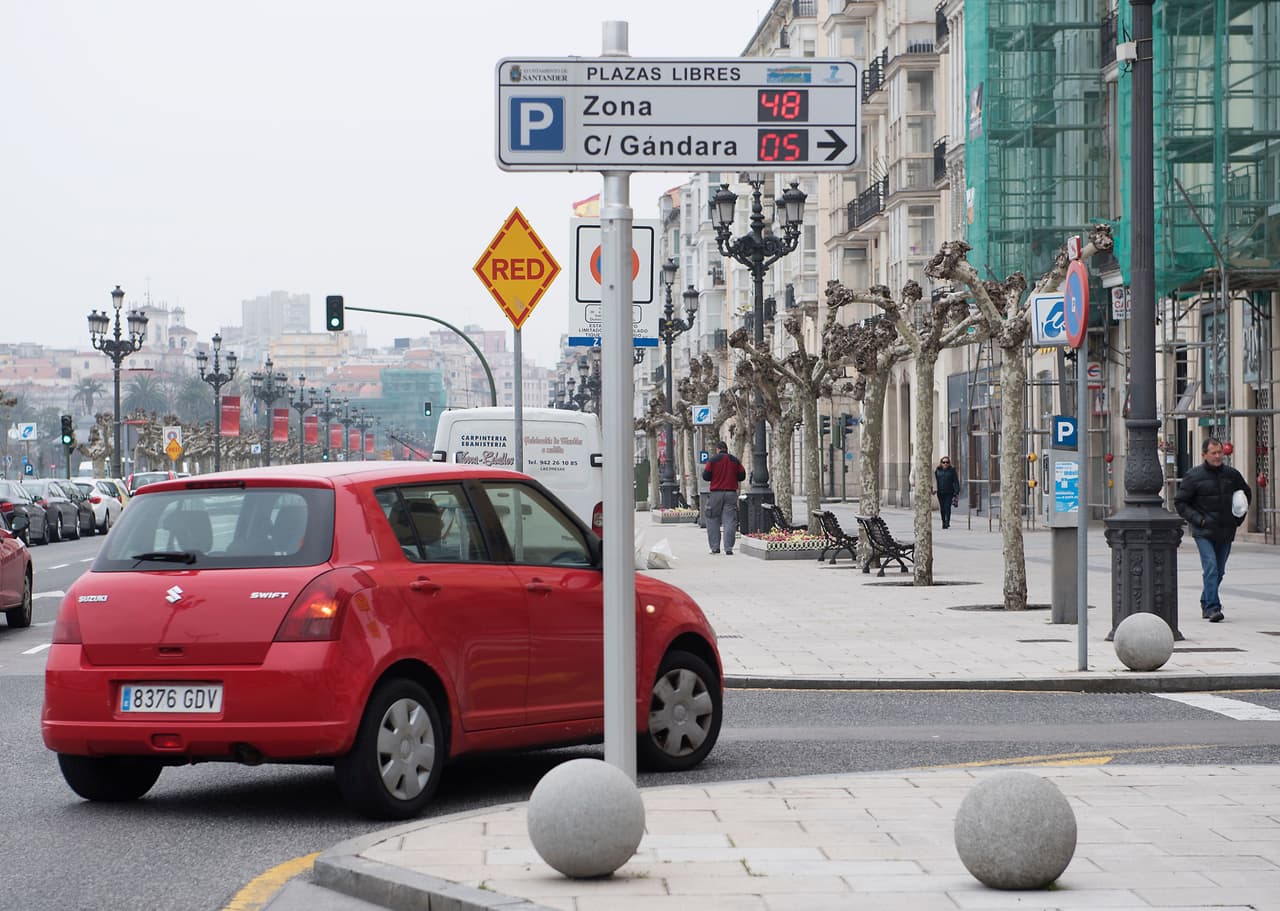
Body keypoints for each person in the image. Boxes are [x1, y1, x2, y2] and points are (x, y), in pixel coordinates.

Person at [1175, 437, 1251, 622]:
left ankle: (1205, 599)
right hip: (1204, 531)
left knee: (1220, 570)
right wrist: (1199, 520)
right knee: (1211, 567)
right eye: (1214, 453)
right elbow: (1180, 502)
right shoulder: (1193, 476)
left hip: (1226, 530)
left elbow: (1245, 494)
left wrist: (1237, 519)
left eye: (1220, 453)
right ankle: (1212, 607)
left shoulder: (1232, 475)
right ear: (1204, 455)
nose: (1218, 456)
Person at [702, 440, 746, 555]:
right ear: (727, 449)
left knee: (712, 518)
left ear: (717, 449)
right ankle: (728, 548)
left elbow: (706, 476)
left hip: (716, 493)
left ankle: (715, 547)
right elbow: (742, 475)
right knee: (729, 520)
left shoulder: (712, 460)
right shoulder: (735, 460)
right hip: (731, 493)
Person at [933, 456, 960, 529]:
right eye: (943, 462)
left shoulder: (952, 470)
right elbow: (934, 481)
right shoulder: (937, 470)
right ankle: (943, 521)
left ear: (949, 463)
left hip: (949, 492)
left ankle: (947, 521)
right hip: (940, 492)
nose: (945, 464)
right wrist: (934, 489)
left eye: (947, 462)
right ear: (941, 463)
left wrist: (956, 491)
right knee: (942, 508)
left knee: (947, 507)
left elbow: (956, 481)